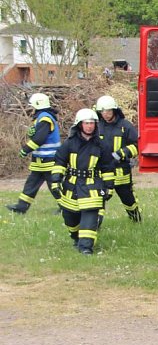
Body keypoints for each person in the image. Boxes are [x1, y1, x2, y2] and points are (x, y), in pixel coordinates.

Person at [51, 108, 115, 255]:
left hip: (92, 185)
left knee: (90, 216)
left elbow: (107, 167)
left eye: (92, 123)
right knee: (70, 217)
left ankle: (86, 247)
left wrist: (109, 187)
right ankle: (76, 238)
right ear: (80, 124)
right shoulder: (69, 143)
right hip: (71, 185)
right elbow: (59, 162)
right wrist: (55, 181)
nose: (89, 126)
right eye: (86, 123)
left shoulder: (101, 145)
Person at [6, 93, 61, 214]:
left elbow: (39, 139)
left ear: (38, 104)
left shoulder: (44, 118)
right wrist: (33, 133)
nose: (31, 108)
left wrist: (25, 149)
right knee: (31, 184)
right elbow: (39, 136)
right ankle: (21, 207)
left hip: (49, 159)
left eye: (32, 105)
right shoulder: (42, 117)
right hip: (41, 160)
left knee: (54, 185)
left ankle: (66, 208)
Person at [95, 95, 142, 222]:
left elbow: (138, 145)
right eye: (103, 111)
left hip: (121, 170)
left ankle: (136, 219)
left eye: (109, 111)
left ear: (114, 110)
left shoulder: (125, 126)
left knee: (128, 198)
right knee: (100, 198)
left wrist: (122, 153)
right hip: (102, 171)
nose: (105, 114)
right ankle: (96, 223)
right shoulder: (97, 127)